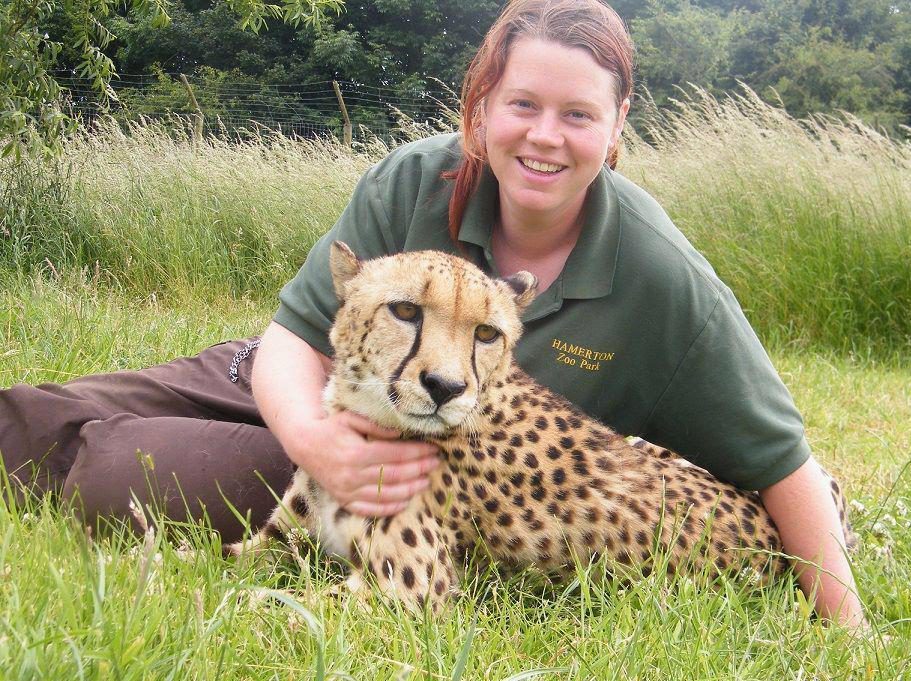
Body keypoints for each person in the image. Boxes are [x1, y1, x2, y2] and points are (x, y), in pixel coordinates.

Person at [0, 0, 863, 628]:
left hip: (421, 451)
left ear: (616, 125)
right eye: (522, 104)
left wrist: (848, 628)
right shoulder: (413, 177)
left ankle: (93, 452)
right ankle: (57, 435)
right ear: (482, 104)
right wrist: (311, 436)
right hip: (313, 377)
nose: (544, 136)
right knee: (29, 415)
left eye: (577, 114)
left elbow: (778, 454)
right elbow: (295, 338)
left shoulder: (661, 274)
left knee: (136, 470)